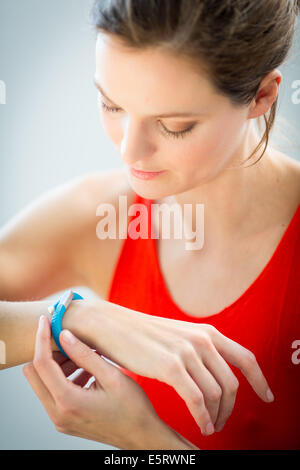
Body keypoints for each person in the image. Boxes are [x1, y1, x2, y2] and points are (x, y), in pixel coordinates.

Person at [1, 0, 300, 450]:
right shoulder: (99, 216)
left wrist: (145, 439)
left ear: (261, 96)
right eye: (110, 104)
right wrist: (78, 317)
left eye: (174, 126)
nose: (129, 151)